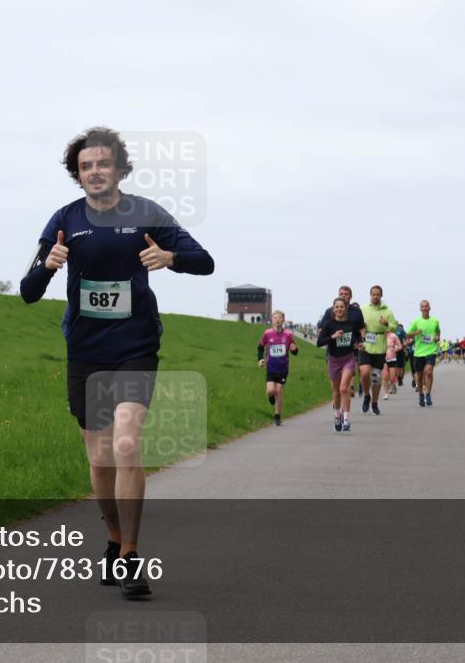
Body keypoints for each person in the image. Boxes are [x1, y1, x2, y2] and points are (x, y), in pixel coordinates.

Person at [20, 127, 214, 597]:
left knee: (126, 443)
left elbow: (204, 260)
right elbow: (27, 291)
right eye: (86, 166)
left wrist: (170, 256)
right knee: (100, 455)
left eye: (103, 164)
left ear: (121, 170)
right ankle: (111, 540)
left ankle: (130, 552)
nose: (94, 172)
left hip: (135, 346)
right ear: (78, 175)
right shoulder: (64, 220)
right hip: (86, 351)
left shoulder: (146, 212)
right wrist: (48, 266)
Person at [317, 297, 364, 432]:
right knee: (336, 391)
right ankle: (337, 416)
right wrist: (333, 336)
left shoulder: (351, 324)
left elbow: (356, 339)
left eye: (341, 307)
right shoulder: (329, 325)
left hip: (348, 359)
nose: (339, 309)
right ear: (333, 309)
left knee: (344, 389)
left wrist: (359, 344)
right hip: (334, 360)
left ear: (345, 308)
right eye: (336, 307)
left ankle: (346, 420)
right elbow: (319, 342)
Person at [317, 286, 364, 399]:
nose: (343, 296)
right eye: (341, 294)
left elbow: (362, 327)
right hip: (333, 350)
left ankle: (349, 388)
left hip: (350, 349)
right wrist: (329, 338)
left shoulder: (356, 311)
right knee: (336, 387)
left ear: (350, 296)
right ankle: (337, 403)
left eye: (346, 294)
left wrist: (363, 340)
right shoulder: (330, 311)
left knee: (346, 379)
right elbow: (320, 329)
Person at [359, 286, 397, 415]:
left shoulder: (387, 311)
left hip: (380, 346)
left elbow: (394, 327)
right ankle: (366, 396)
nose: (375, 296)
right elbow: (356, 324)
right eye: (373, 294)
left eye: (378, 294)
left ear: (381, 296)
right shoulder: (363, 309)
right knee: (364, 373)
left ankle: (374, 402)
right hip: (365, 345)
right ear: (370, 295)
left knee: (376, 377)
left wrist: (386, 324)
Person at [258, 310, 299, 425]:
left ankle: (277, 416)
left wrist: (294, 349)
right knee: (271, 391)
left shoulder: (288, 335)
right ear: (272, 319)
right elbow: (260, 348)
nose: (277, 319)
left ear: (283, 320)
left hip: (283, 368)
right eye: (275, 317)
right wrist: (260, 359)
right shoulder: (267, 334)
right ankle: (271, 396)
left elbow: (295, 350)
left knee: (279, 391)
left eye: (280, 317)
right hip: (271, 367)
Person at [406, 300, 441, 407]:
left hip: (431, 350)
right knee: (420, 376)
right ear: (420, 309)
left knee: (429, 372)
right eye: (422, 306)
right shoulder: (416, 322)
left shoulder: (435, 321)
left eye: (426, 306)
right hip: (419, 352)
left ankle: (428, 394)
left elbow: (438, 332)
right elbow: (408, 334)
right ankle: (421, 394)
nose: (425, 308)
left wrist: (437, 338)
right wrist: (416, 333)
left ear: (429, 308)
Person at [383, 329, 403, 399]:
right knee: (385, 376)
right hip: (383, 358)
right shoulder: (380, 335)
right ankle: (386, 393)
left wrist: (395, 350)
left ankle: (392, 384)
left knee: (392, 377)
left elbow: (400, 346)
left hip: (392, 358)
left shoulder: (393, 335)